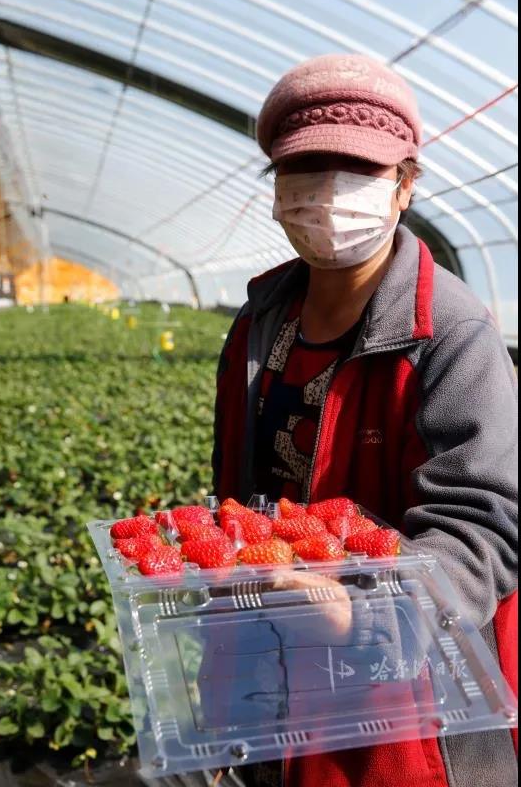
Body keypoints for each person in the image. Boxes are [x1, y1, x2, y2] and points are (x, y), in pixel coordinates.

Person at [212, 54, 518, 787]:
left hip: (407, 710)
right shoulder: (257, 324)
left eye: (356, 168)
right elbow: (240, 498)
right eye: (305, 168)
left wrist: (364, 614)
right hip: (274, 678)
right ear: (278, 188)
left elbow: (484, 528)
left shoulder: (448, 333)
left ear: (405, 183)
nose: (326, 192)